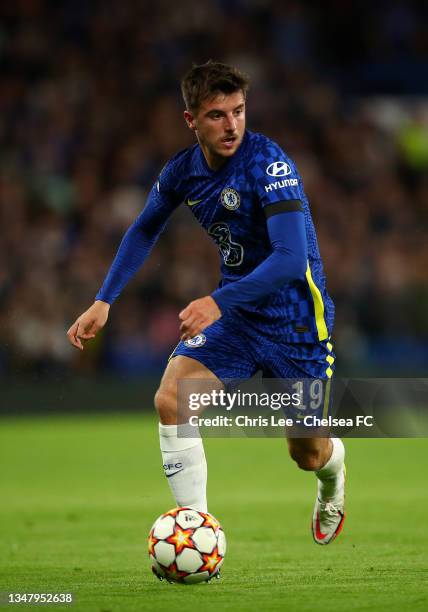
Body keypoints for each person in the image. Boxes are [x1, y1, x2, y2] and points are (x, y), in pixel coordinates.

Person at [67, 61, 345, 546]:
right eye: (217, 115)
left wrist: (216, 301)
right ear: (190, 119)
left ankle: (333, 477)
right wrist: (103, 299)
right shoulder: (183, 171)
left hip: (297, 323)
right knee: (172, 400)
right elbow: (145, 227)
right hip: (238, 318)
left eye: (239, 111)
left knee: (308, 454)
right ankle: (197, 534)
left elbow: (289, 258)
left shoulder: (269, 164)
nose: (232, 124)